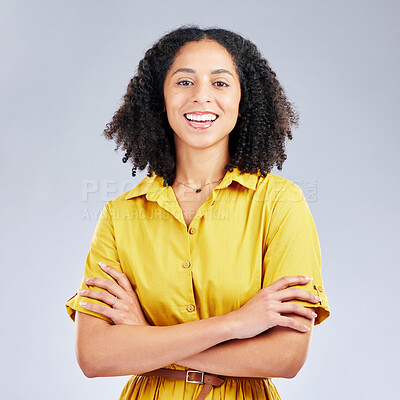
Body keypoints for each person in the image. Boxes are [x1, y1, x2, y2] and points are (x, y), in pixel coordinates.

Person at [65, 25, 330, 400]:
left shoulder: (280, 203)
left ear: (244, 100)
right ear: (161, 98)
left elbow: (285, 357)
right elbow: (94, 356)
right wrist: (236, 324)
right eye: (184, 81)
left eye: (220, 83)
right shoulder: (119, 214)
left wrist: (146, 340)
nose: (201, 97)